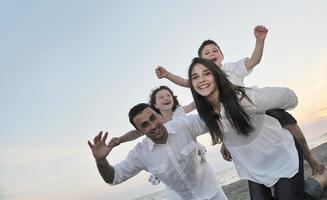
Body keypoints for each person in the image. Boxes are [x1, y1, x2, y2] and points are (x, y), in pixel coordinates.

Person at [155, 25, 325, 176]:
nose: (212, 53)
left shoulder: (232, 68)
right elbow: (188, 84)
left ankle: (310, 158)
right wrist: (168, 75)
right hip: (230, 123)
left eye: (215, 50)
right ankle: (266, 176)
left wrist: (260, 41)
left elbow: (254, 60)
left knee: (288, 122)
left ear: (222, 55)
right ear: (201, 62)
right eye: (206, 53)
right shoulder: (203, 81)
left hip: (253, 109)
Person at [188, 57, 305, 199]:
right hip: (255, 170)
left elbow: (288, 96)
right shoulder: (207, 115)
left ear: (217, 75)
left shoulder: (242, 99)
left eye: (206, 73)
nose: (201, 80)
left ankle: (319, 180)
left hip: (281, 155)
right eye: (195, 77)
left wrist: (273, 111)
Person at [88, 103, 227, 200]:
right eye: (145, 125)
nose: (153, 126)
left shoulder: (184, 125)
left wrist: (226, 143)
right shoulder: (140, 154)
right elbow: (112, 178)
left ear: (159, 116)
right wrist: (100, 160)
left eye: (153, 118)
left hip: (213, 193)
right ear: (139, 131)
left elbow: (218, 120)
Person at [108, 86, 205, 198]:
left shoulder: (179, 113)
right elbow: (136, 133)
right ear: (155, 105)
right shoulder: (154, 121)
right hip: (166, 158)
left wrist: (203, 91)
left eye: (168, 95)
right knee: (163, 163)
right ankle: (157, 174)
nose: (166, 98)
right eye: (161, 97)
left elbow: (194, 105)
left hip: (187, 149)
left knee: (195, 152)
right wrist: (120, 139)